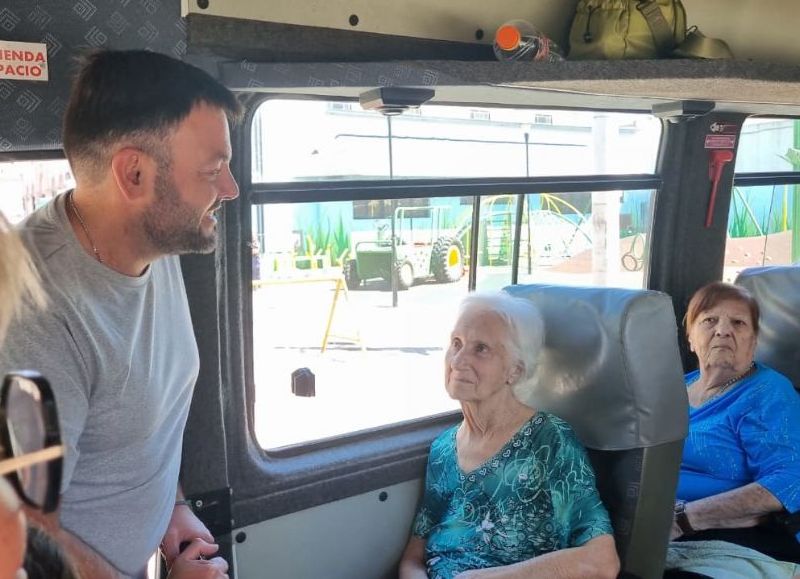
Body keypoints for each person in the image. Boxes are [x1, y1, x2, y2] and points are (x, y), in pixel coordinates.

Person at [0, 49, 241, 579]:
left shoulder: (155, 242)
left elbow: (144, 425)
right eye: (213, 170)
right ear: (134, 173)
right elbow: (25, 535)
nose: (230, 190)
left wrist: (172, 506)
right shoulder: (35, 314)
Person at [398, 292, 619, 579]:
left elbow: (601, 561)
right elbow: (414, 557)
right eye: (456, 343)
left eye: (481, 349)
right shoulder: (442, 448)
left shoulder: (549, 440)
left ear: (514, 370)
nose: (459, 360)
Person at [665, 281, 800, 577]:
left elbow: (790, 481)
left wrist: (685, 518)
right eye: (710, 320)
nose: (723, 330)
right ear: (690, 338)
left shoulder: (767, 392)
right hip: (656, 533)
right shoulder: (674, 388)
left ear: (754, 341)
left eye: (738, 323)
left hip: (733, 543)